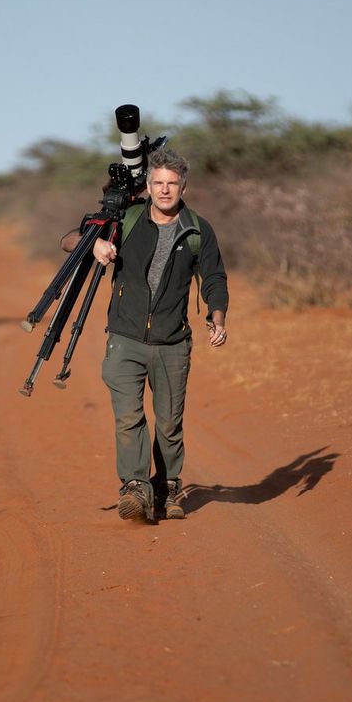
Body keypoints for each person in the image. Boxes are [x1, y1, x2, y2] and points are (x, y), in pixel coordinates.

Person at [61, 148, 228, 523]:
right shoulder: (127, 218)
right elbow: (69, 240)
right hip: (125, 338)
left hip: (173, 343)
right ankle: (135, 487)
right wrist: (97, 244)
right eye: (158, 183)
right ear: (148, 186)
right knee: (128, 418)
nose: (165, 190)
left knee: (169, 423)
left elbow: (214, 276)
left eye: (172, 184)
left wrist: (218, 315)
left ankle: (166, 487)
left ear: (184, 186)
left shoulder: (199, 229)